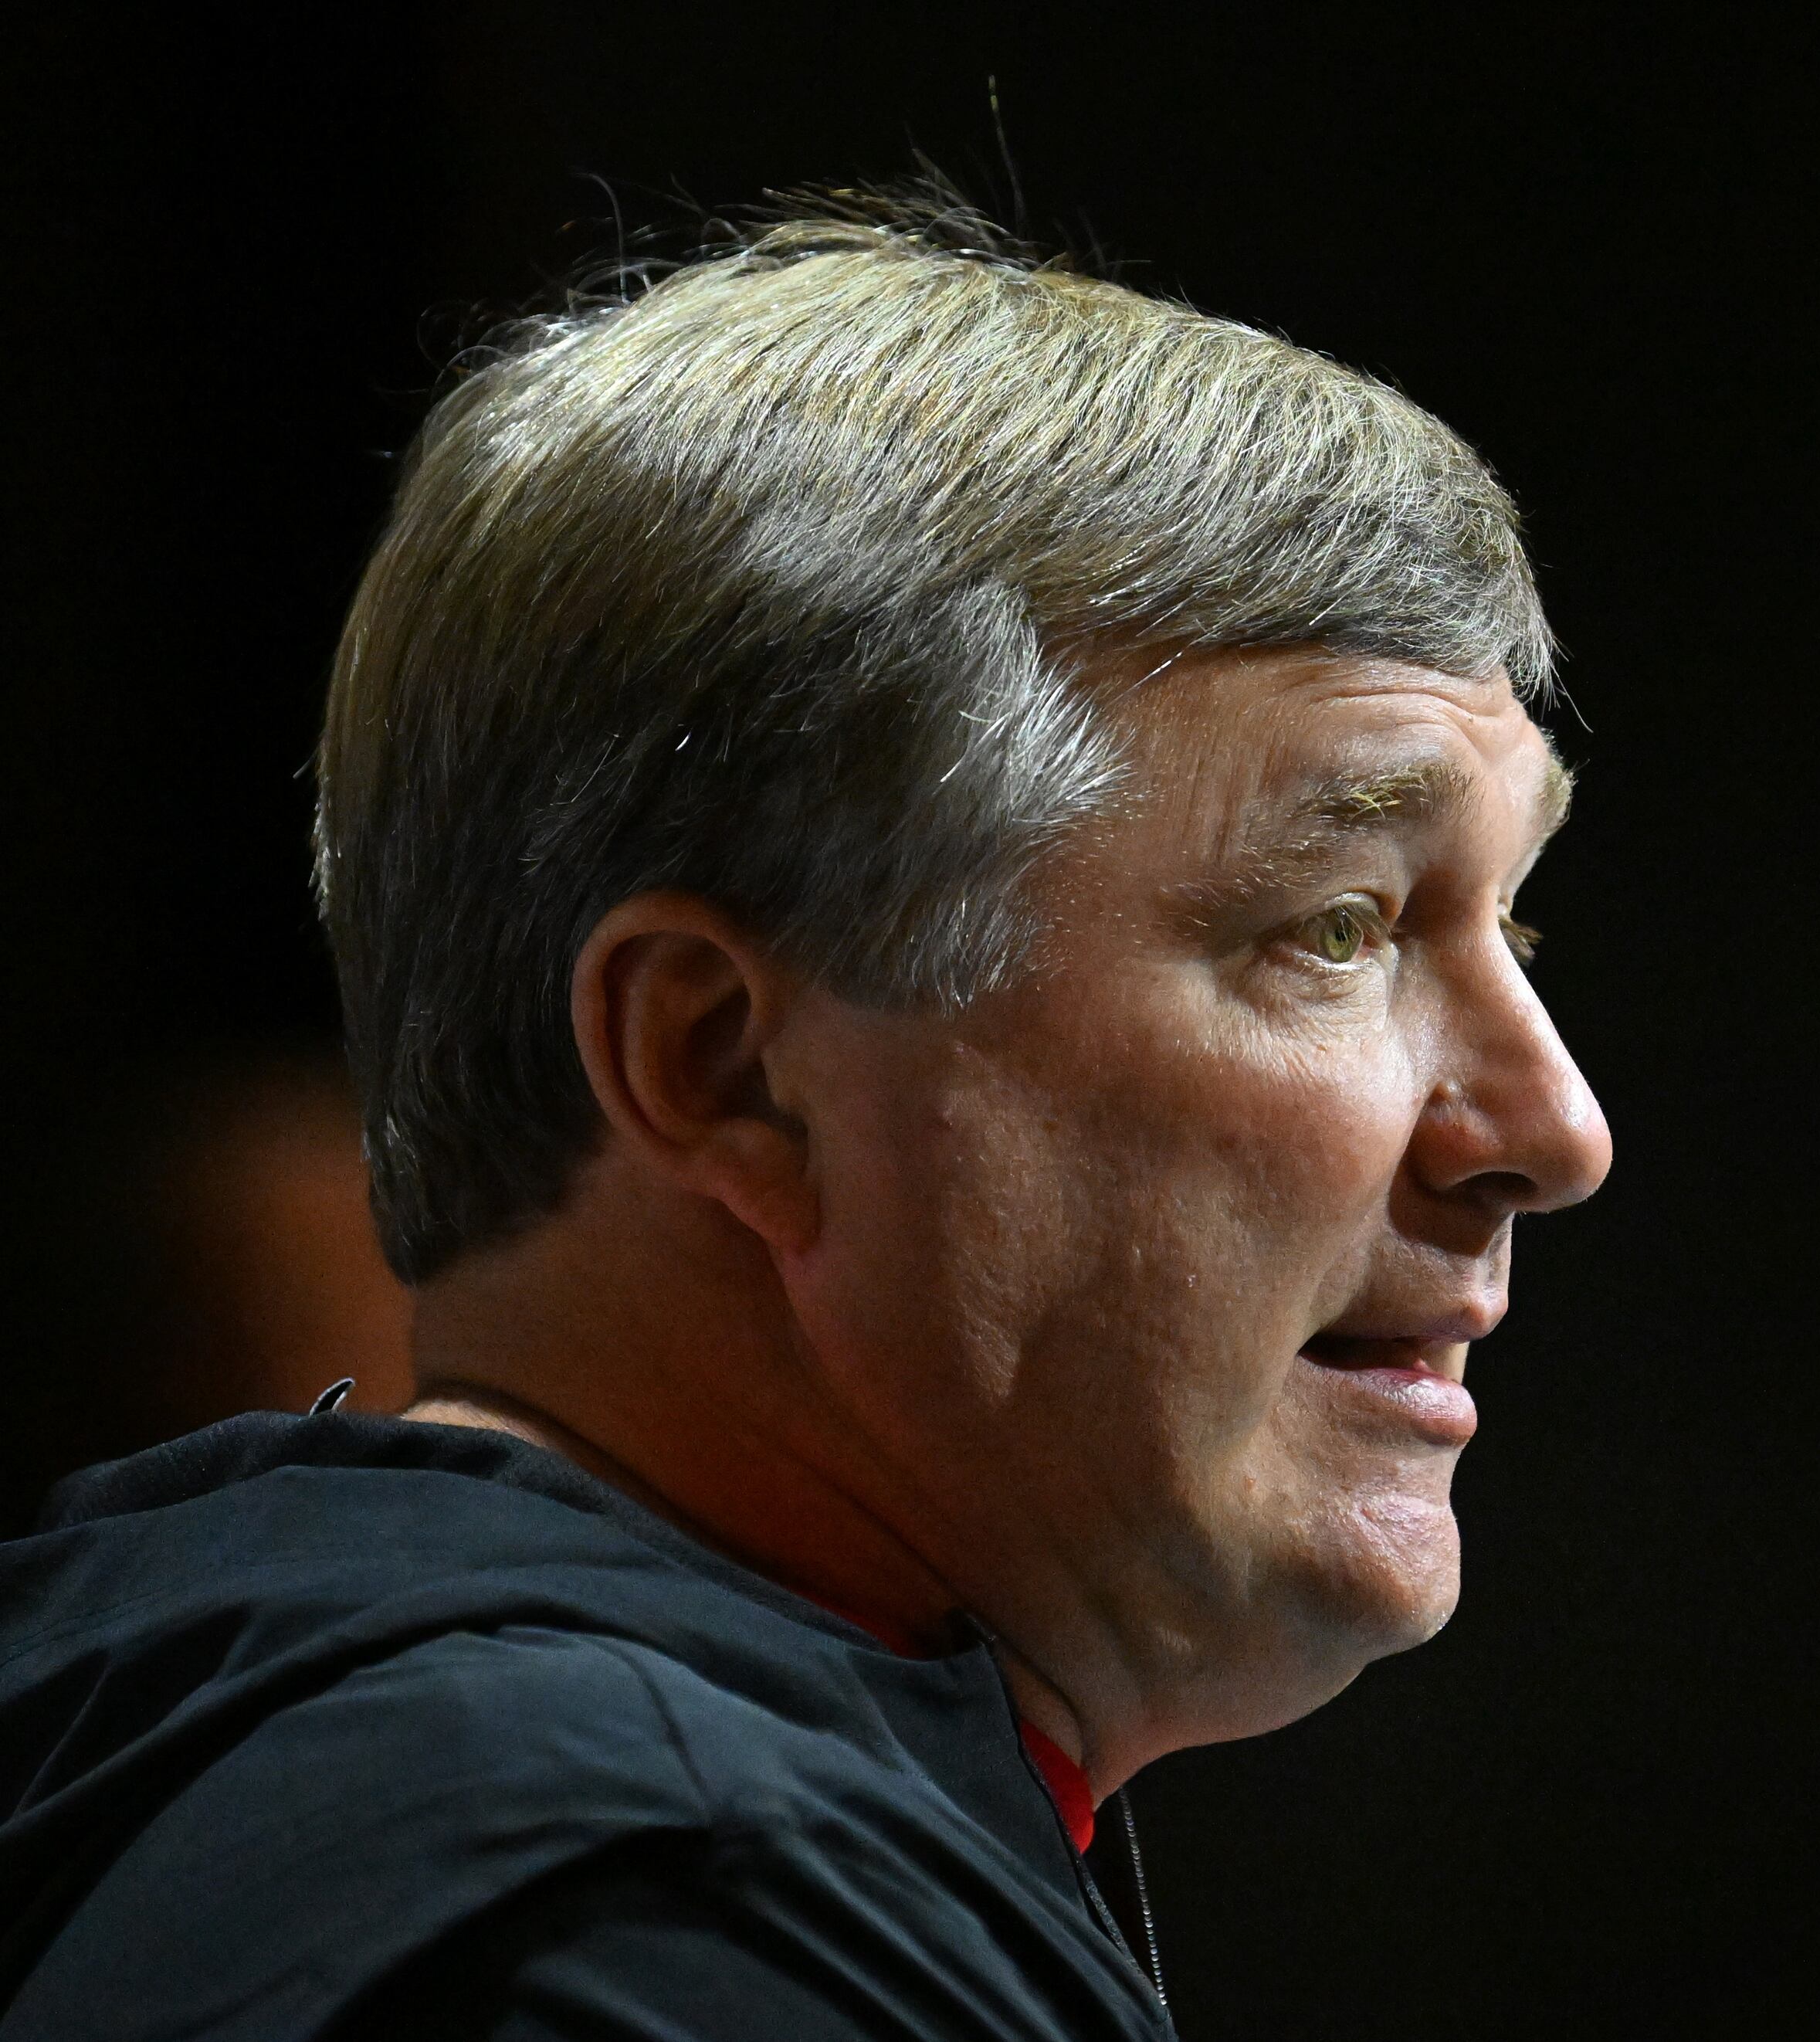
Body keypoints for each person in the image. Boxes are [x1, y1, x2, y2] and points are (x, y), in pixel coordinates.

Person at [0, 189, 1611, 2040]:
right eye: (1338, 927)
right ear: (726, 1070)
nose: (1553, 1126)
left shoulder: (328, 1782)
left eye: (1516, 922)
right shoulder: (635, 1942)